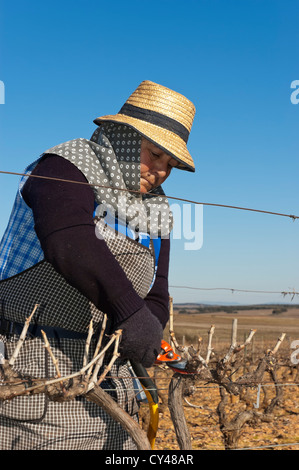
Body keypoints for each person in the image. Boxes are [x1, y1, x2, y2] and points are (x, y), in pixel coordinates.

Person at [0, 80, 196, 450]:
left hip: (112, 374)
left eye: (170, 164)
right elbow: (68, 240)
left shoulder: (156, 208)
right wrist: (129, 313)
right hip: (36, 369)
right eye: (154, 154)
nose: (160, 171)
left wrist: (148, 327)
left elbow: (158, 287)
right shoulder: (65, 165)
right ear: (122, 135)